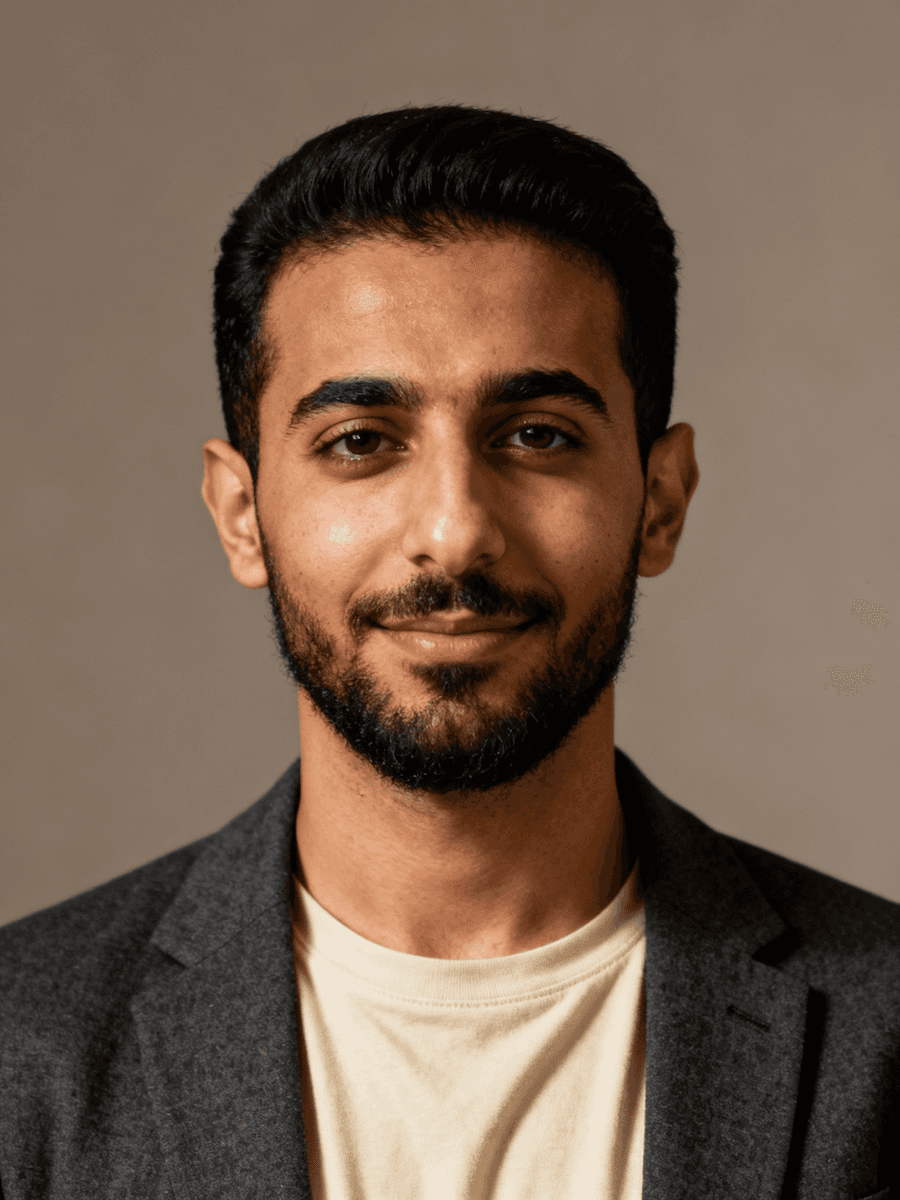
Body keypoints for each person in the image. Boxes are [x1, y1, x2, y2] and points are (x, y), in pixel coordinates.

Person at [0, 105, 896, 1200]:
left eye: (538, 436)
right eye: (361, 443)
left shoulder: (885, 1036)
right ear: (243, 514)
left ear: (659, 502)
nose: (457, 528)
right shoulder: (22, 1049)